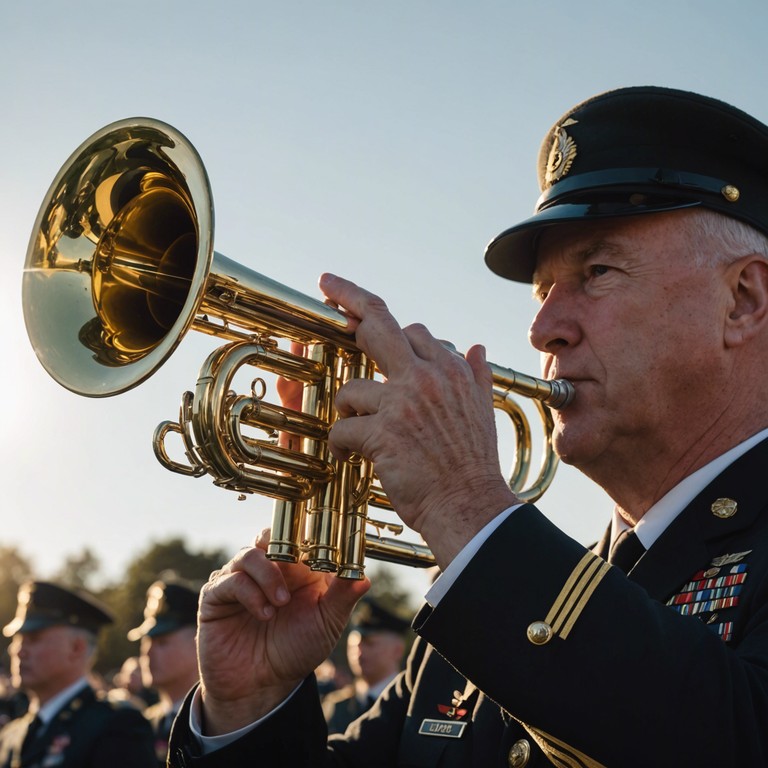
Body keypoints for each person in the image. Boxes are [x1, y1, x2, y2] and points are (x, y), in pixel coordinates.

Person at [166, 85, 768, 767]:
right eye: (542, 292)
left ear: (743, 298)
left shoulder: (497, 576)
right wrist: (250, 708)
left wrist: (467, 509)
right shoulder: (486, 603)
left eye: (596, 271)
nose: (544, 328)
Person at [0, 581, 156, 768]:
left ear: (76, 648)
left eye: (33, 638)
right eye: (18, 639)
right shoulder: (10, 735)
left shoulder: (116, 727)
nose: (18, 651)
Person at [128, 577, 200, 766]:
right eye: (146, 642)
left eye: (162, 642)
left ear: (198, 643)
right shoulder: (145, 722)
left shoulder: (215, 724)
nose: (147, 652)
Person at [321, 599, 409, 734]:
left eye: (370, 644)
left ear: (397, 650)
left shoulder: (410, 705)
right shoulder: (335, 705)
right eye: (354, 645)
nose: (359, 652)